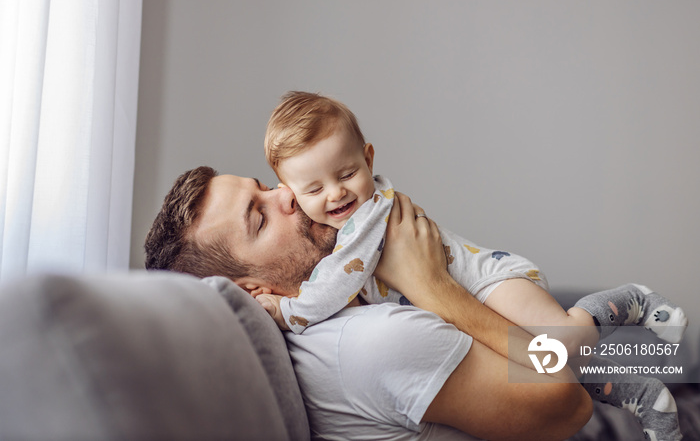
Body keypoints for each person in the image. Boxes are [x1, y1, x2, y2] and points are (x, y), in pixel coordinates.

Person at [258, 91, 687, 440]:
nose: (336, 194)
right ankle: (642, 396)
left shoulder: (366, 219)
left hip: (485, 281)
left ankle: (630, 300)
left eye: (347, 173)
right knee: (546, 364)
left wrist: (287, 310)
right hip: (465, 299)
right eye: (314, 188)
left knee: (559, 346)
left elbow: (335, 284)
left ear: (369, 158)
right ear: (290, 192)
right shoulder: (336, 236)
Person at [145, 166, 592, 440]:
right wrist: (433, 287)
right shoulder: (374, 343)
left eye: (263, 185)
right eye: (259, 218)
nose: (287, 192)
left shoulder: (341, 308)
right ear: (253, 292)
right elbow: (568, 404)